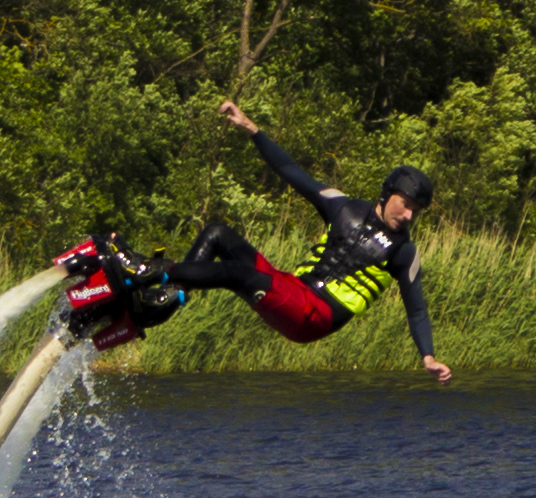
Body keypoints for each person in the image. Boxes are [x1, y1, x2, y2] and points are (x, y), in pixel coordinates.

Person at [127, 101, 452, 384]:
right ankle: (163, 300)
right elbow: (290, 170)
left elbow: (417, 309)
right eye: (406, 204)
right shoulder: (343, 207)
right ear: (387, 193)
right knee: (216, 234)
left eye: (417, 211)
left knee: (239, 273)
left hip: (316, 316)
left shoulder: (404, 252)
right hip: (292, 289)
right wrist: (252, 129)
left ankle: (151, 270)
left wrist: (428, 357)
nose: (409, 215)